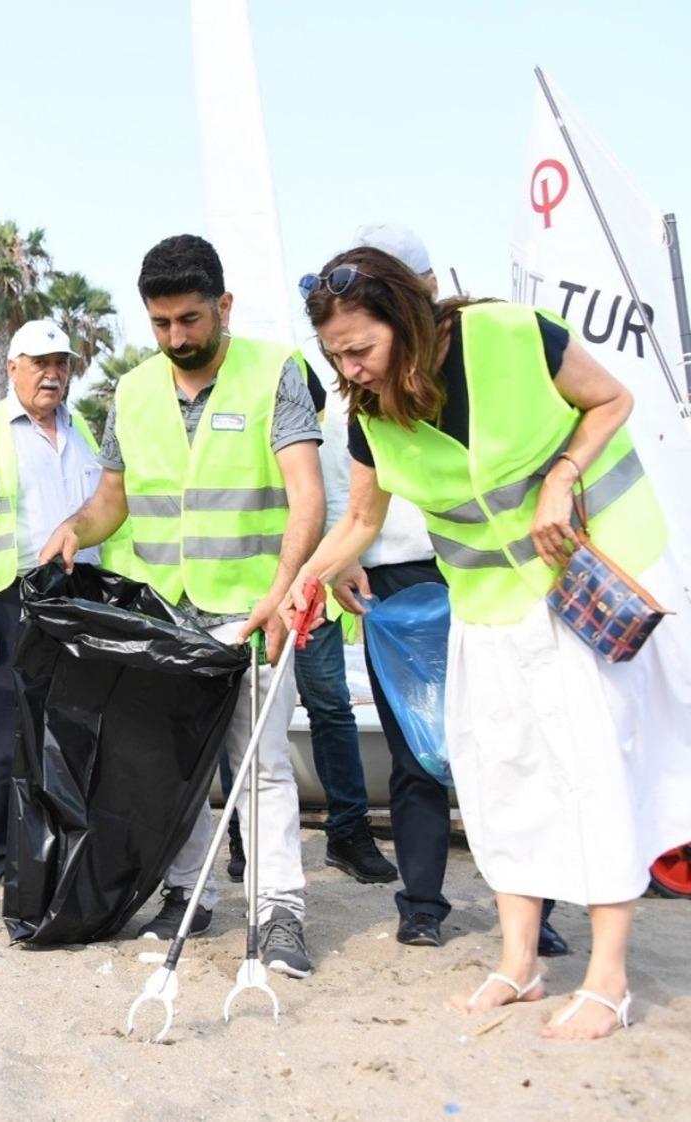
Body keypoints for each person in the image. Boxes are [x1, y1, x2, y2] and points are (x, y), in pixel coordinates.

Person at [282, 245, 691, 1038]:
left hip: (588, 581)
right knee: (498, 775)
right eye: (336, 356)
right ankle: (520, 964)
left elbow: (611, 400)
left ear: (404, 319)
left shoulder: (508, 335)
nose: (352, 369)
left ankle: (607, 978)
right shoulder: (368, 417)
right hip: (489, 606)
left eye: (361, 348)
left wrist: (563, 477)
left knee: (593, 766)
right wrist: (308, 577)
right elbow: (362, 520)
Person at [41, 234, 329, 978]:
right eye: (162, 324)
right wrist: (74, 528)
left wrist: (284, 590)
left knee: (261, 766)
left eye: (191, 321)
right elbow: (113, 501)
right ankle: (186, 894)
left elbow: (307, 494)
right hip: (166, 616)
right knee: (174, 766)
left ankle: (279, 912)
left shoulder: (276, 373)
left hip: (254, 611)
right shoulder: (132, 391)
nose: (177, 338)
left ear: (223, 306)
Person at [324, 223, 568, 958]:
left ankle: (535, 908)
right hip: (397, 585)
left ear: (420, 297)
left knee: (519, 748)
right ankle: (422, 903)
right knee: (416, 751)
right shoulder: (362, 397)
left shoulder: (489, 354)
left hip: (492, 577)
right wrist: (333, 564)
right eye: (342, 353)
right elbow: (357, 502)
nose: (355, 363)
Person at [0, 318, 113, 883]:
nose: (52, 375)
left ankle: (65, 850)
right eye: (40, 363)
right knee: (7, 734)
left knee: (72, 728)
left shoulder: (84, 431)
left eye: (61, 364)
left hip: (78, 597)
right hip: (9, 595)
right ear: (13, 367)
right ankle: (7, 858)